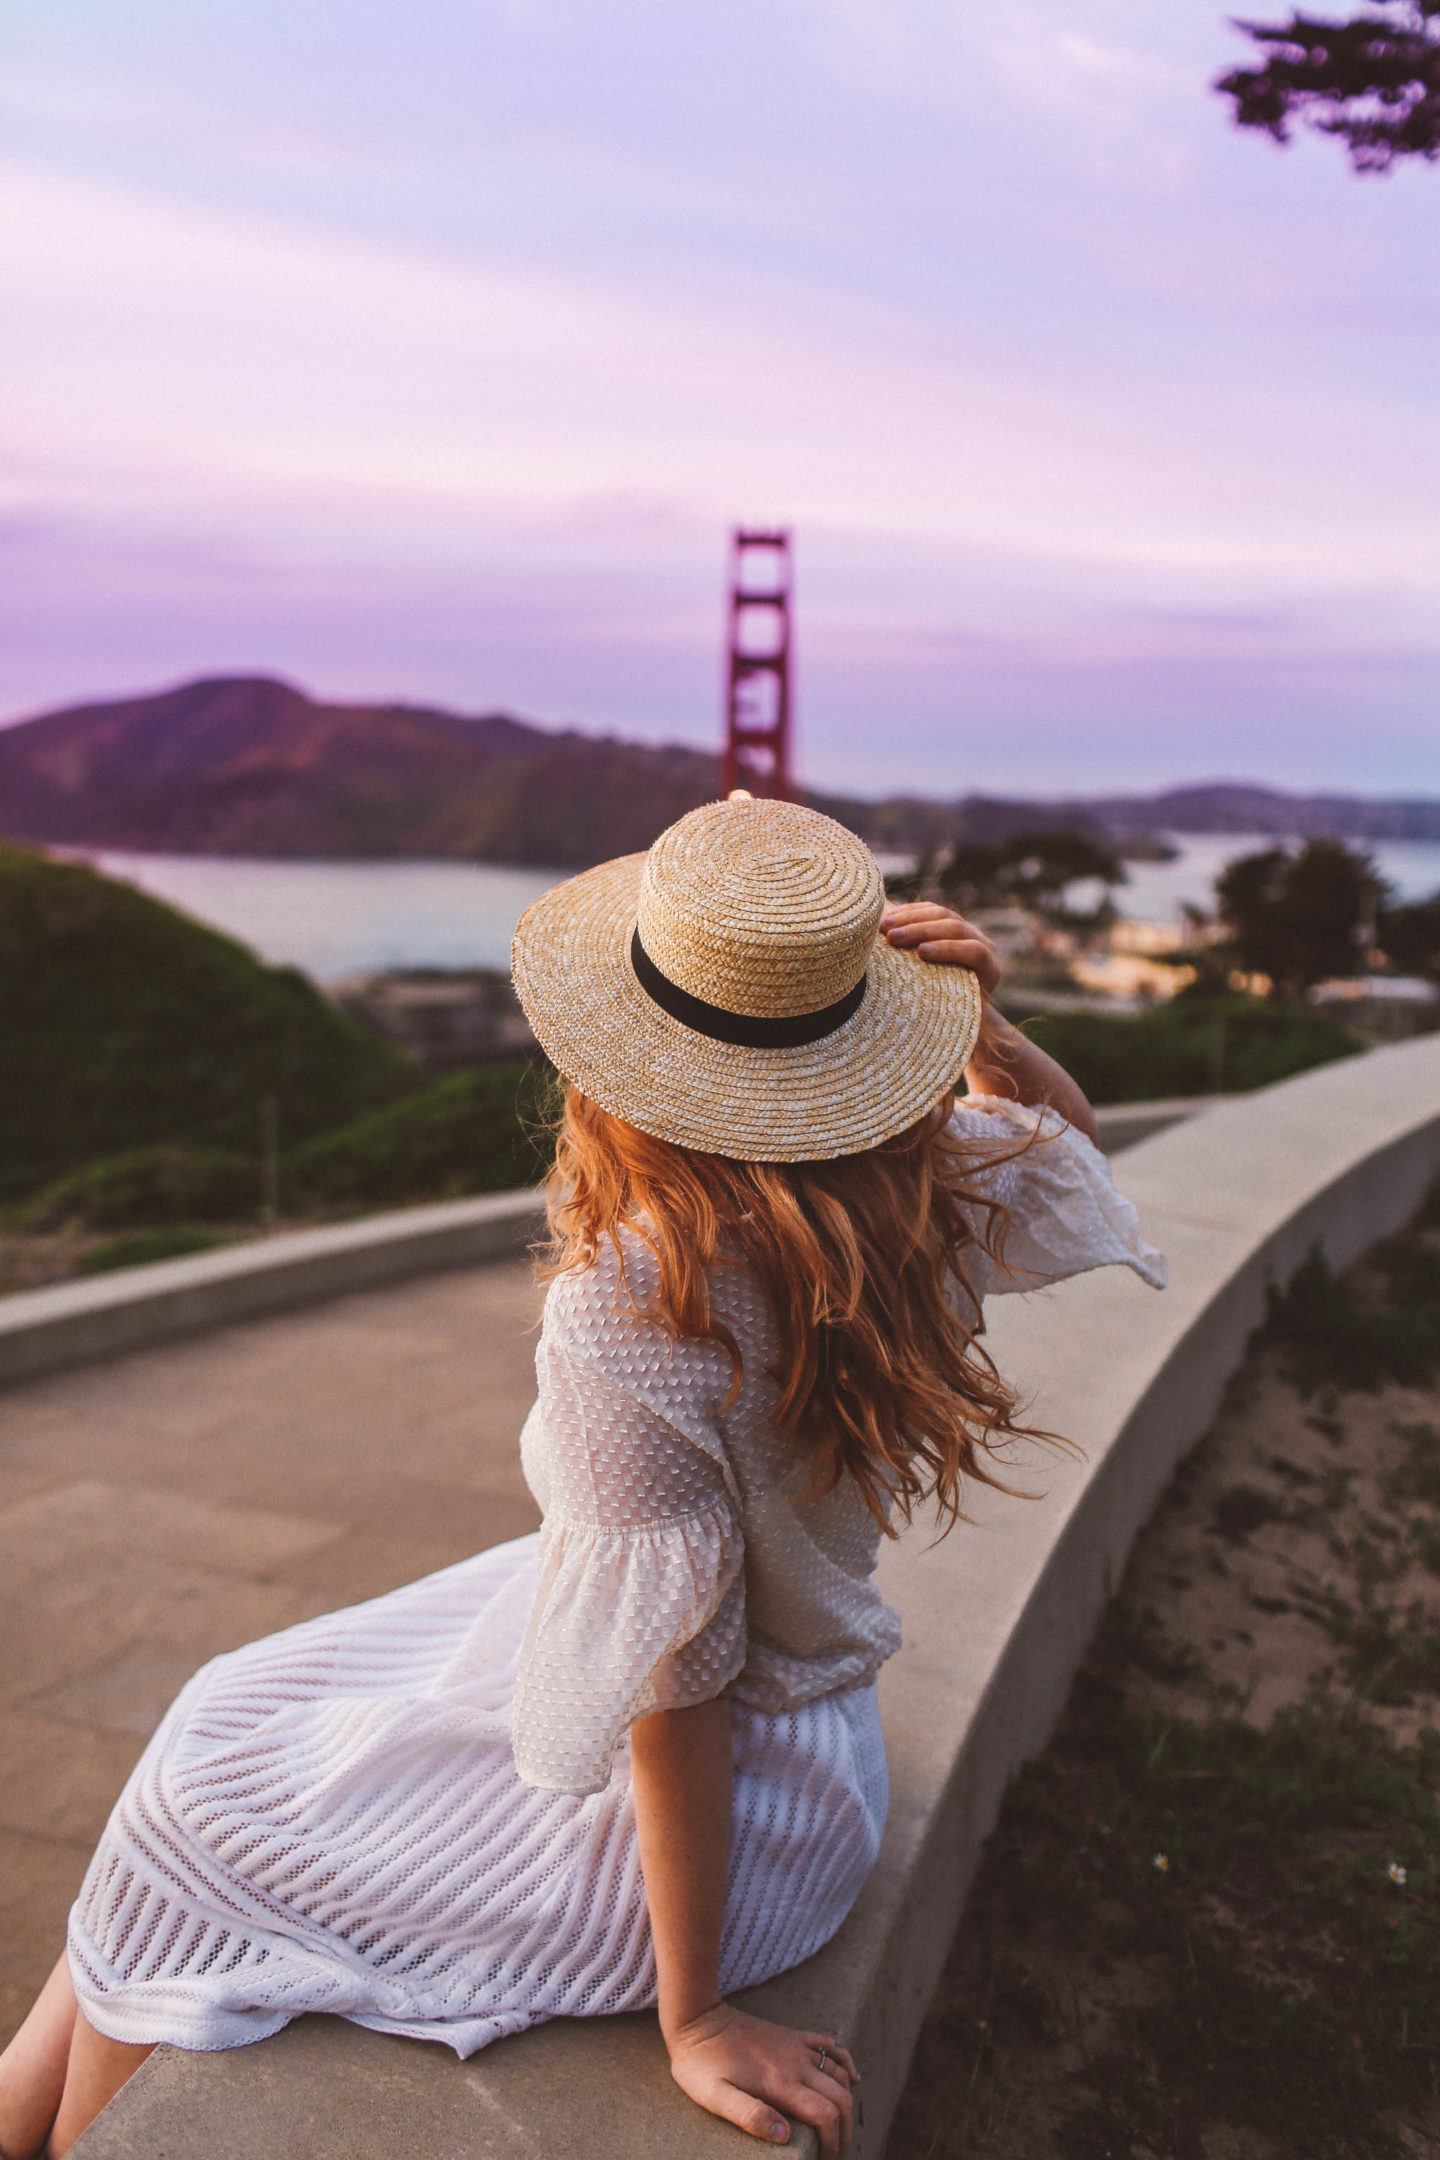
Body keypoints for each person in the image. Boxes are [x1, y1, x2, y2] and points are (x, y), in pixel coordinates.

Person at [0, 798, 1165, 2160]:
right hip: (814, 1737)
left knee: (209, 1821)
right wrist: (990, 1037)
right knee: (227, 1710)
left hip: (728, 1820)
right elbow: (1069, 1151)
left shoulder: (638, 1295)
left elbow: (678, 1676)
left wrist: (698, 2015)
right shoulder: (916, 1189)